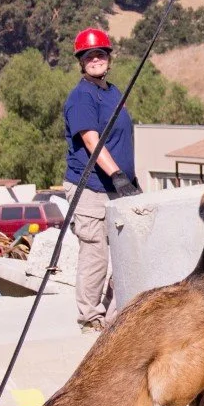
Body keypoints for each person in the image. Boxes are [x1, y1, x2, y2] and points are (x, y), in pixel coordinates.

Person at [62, 27, 142, 332]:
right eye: (89, 55)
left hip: (116, 187)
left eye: (100, 54)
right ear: (82, 62)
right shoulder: (81, 97)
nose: (95, 59)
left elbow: (122, 138)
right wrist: (117, 175)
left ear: (108, 58)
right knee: (96, 254)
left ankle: (113, 317)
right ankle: (90, 319)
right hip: (91, 189)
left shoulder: (113, 92)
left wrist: (130, 181)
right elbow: (92, 140)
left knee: (123, 252)